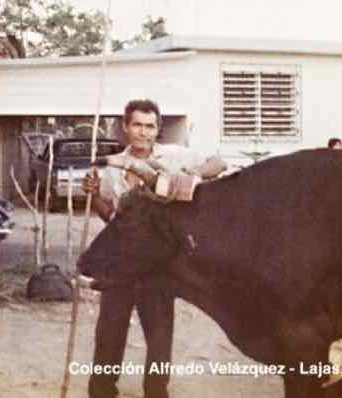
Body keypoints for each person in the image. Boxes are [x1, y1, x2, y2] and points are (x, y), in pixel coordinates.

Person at [82, 99, 226, 398]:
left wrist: (188, 177)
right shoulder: (109, 166)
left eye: (150, 126)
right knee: (109, 334)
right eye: (137, 125)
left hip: (159, 264)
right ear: (125, 127)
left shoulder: (174, 156)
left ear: (158, 129)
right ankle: (102, 391)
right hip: (120, 262)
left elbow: (219, 163)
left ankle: (157, 392)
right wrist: (95, 195)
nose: (143, 133)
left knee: (159, 338)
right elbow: (109, 215)